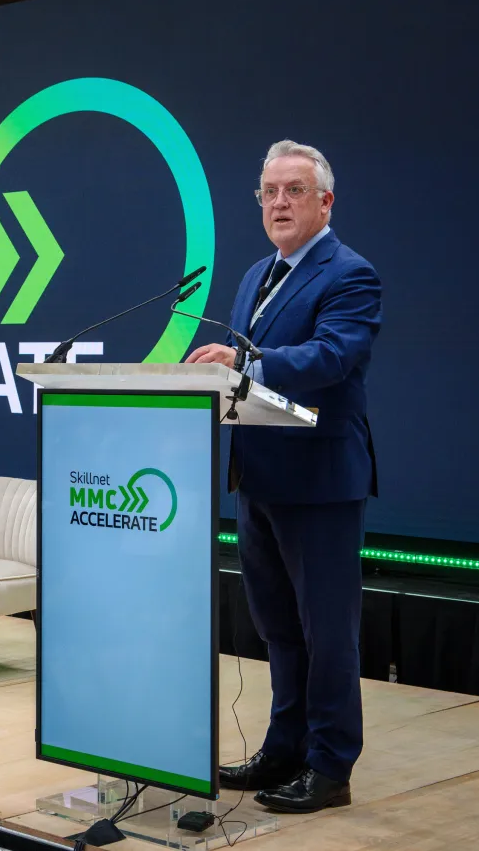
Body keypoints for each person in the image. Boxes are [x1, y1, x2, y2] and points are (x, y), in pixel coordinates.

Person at [185, 140, 381, 814]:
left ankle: (330, 768)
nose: (278, 204)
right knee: (279, 630)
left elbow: (333, 356)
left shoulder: (351, 274)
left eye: (293, 190)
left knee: (327, 633)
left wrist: (246, 369)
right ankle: (283, 748)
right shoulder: (253, 276)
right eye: (268, 192)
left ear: (325, 201)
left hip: (321, 482)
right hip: (260, 478)